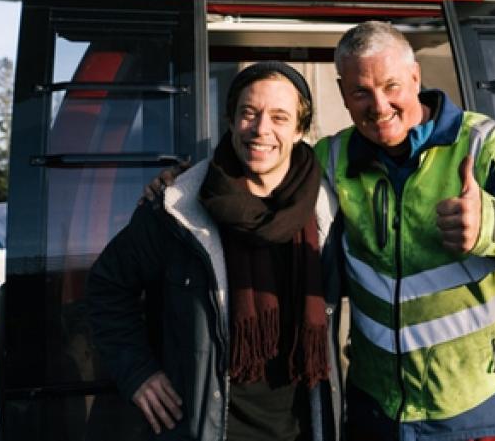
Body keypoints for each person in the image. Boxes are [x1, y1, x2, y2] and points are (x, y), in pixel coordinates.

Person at [316, 21, 495, 441]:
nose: (379, 105)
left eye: (391, 86)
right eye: (361, 91)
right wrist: (181, 183)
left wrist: (493, 225)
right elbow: (264, 181)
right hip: (377, 410)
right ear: (343, 91)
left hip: (481, 409)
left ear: (416, 77)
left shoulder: (487, 145)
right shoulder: (331, 157)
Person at [86, 62, 342, 441]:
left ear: (301, 130)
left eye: (280, 117)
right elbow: (106, 285)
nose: (261, 130)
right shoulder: (177, 208)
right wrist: (138, 372)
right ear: (230, 119)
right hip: (211, 429)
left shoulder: (329, 208)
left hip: (306, 428)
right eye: (249, 113)